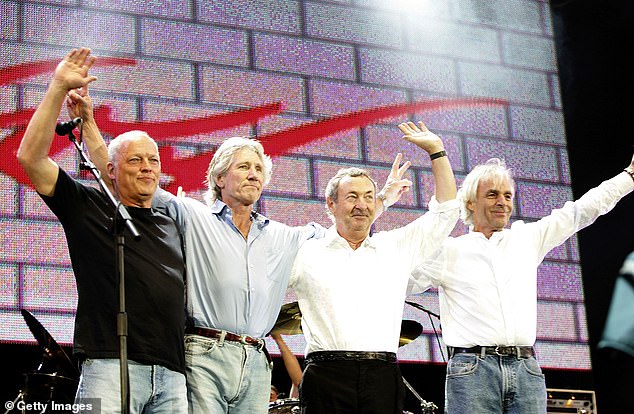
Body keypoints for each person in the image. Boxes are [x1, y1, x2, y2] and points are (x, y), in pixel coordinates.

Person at [16, 48, 187, 413]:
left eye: (153, 160)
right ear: (113, 170)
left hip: (173, 373)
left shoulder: (171, 217)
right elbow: (30, 157)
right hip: (109, 365)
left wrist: (90, 123)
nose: (147, 168)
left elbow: (108, 161)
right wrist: (59, 87)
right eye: (136, 160)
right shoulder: (88, 206)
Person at [412, 156, 634, 413]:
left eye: (507, 196)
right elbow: (398, 282)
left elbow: (581, 211)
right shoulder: (449, 251)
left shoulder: (526, 238)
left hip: (526, 368)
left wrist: (629, 176)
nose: (502, 202)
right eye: (493, 194)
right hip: (473, 370)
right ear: (470, 203)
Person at [288, 121, 459, 414]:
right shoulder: (306, 252)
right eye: (352, 197)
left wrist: (437, 152)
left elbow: (445, 212)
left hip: (381, 374)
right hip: (326, 376)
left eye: (369, 197)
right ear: (330, 204)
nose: (362, 205)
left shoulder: (394, 247)